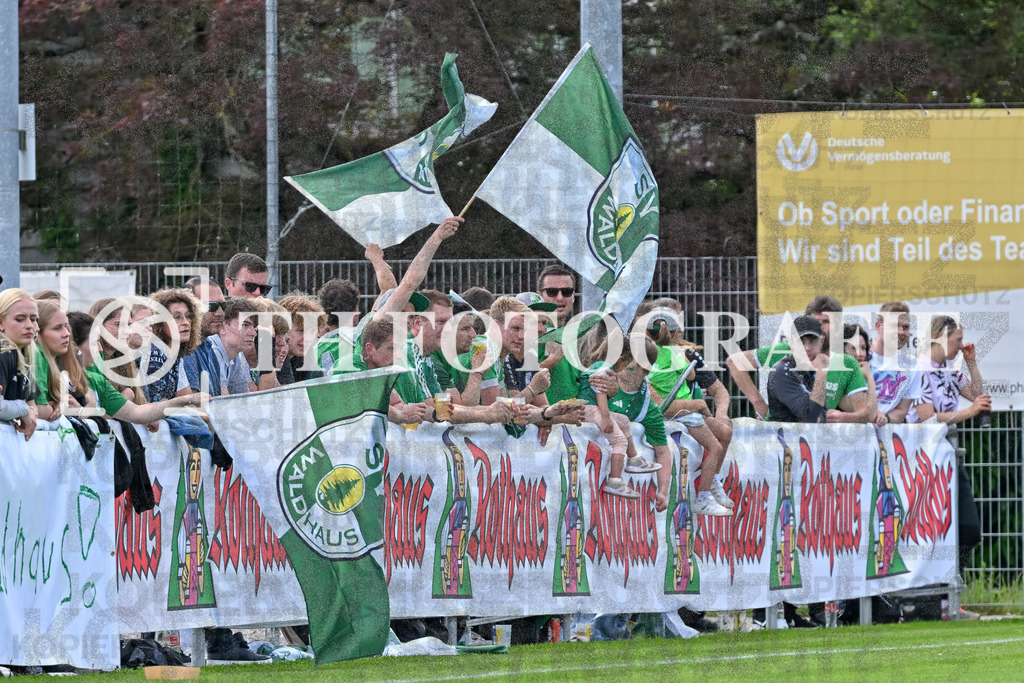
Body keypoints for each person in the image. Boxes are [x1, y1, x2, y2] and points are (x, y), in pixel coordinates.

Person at [907, 315, 989, 609]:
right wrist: (969, 413)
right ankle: (931, 602)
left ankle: (945, 595)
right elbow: (927, 416)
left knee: (968, 529)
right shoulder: (919, 369)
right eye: (957, 341)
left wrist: (971, 362)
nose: (961, 345)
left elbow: (977, 395)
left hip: (949, 457)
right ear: (941, 338)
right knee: (930, 533)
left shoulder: (950, 370)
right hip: (923, 460)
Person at [643, 306, 733, 512]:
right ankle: (704, 495)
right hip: (682, 412)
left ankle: (713, 482)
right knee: (715, 447)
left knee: (725, 431)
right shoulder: (678, 353)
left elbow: (719, 390)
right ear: (674, 332)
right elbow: (691, 376)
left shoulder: (645, 354)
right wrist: (700, 404)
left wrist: (720, 413)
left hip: (677, 411)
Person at [66, 312, 206, 423]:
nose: (100, 349)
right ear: (74, 347)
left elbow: (137, 413)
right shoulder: (58, 378)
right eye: (94, 342)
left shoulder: (97, 379)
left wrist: (184, 400)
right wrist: (88, 409)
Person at [727, 295, 843, 419]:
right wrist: (759, 404)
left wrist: (845, 416)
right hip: (780, 428)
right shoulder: (786, 350)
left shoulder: (846, 361)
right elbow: (734, 362)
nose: (819, 326)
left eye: (826, 321)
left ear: (837, 326)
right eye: (815, 321)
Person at [766, 315, 872, 423]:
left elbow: (820, 417)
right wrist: (822, 372)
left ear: (822, 341)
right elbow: (810, 419)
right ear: (791, 342)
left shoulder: (811, 369)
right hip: (781, 434)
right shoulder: (782, 370)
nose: (807, 347)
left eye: (813, 341)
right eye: (801, 341)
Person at [33, 300, 97, 420]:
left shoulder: (48, 359)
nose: (67, 333)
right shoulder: (38, 354)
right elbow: (40, 410)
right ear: (38, 331)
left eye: (66, 327)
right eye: (57, 328)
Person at [183, 299, 259, 396]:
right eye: (245, 325)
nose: (254, 333)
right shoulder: (213, 349)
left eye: (254, 327)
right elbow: (222, 399)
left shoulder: (237, 355)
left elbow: (245, 398)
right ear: (223, 327)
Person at [140, 288, 202, 403]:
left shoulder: (173, 354)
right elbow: (154, 404)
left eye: (188, 316)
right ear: (159, 322)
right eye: (177, 317)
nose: (186, 322)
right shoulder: (155, 354)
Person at [869, 301, 920, 425]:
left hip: (885, 431)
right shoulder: (859, 357)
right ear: (878, 326)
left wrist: (885, 419)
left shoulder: (912, 365)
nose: (901, 332)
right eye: (894, 326)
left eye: (905, 327)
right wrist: (871, 414)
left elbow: (902, 409)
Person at [0, 289, 40, 440]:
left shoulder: (23, 351)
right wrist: (23, 409)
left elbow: (31, 403)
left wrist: (32, 413)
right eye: (20, 319)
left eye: (34, 319)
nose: (30, 325)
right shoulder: (4, 350)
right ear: (1, 322)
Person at [277, 295, 326, 384]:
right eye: (301, 331)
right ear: (282, 328)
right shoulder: (271, 356)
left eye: (312, 331)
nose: (308, 338)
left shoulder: (304, 359)